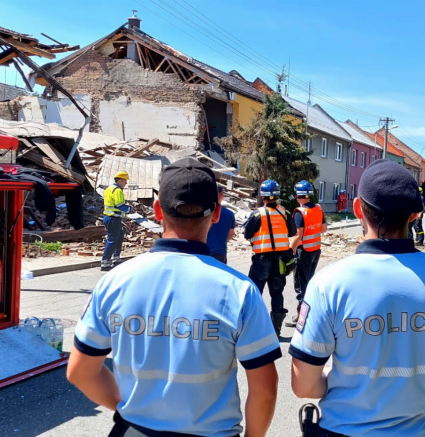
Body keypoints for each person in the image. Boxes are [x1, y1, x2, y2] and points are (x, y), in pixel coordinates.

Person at [68, 158, 281, 437]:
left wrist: (127, 409)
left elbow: (80, 371)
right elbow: (265, 388)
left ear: (158, 210)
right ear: (216, 214)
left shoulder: (114, 281)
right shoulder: (238, 290)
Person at [290, 160, 425, 437]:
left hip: (342, 430)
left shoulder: (328, 283)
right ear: (416, 214)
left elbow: (304, 385)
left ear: (358, 208)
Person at [244, 179, 297, 333]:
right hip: (280, 260)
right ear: (278, 195)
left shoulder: (257, 214)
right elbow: (292, 232)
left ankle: (253, 328)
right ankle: (276, 329)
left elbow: (247, 234)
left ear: (263, 195)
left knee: (255, 293)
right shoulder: (285, 212)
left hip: (261, 260)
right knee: (277, 293)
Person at [286, 180, 327, 328]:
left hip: (303, 252)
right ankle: (311, 311)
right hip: (315, 250)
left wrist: (289, 251)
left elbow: (298, 236)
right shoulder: (318, 208)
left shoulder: (300, 212)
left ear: (298, 195)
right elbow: (323, 229)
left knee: (300, 285)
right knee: (309, 282)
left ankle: (302, 316)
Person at [101, 171, 131, 271]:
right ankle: (105, 262)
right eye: (125, 181)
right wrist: (130, 210)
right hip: (113, 218)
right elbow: (120, 206)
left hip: (110, 217)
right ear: (120, 180)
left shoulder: (109, 189)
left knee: (119, 237)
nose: (126, 183)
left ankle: (116, 258)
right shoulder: (117, 190)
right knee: (112, 239)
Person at [206, 185, 236, 264]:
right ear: (221, 196)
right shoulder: (229, 214)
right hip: (219, 255)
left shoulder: (201, 213)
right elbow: (229, 236)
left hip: (202, 253)